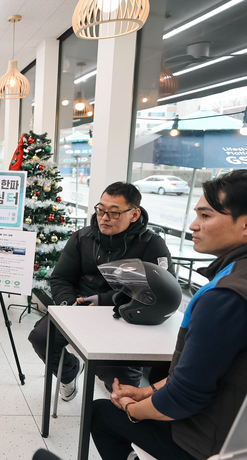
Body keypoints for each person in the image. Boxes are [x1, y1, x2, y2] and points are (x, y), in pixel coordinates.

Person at [91, 170, 247, 460]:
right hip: (230, 424)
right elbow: (202, 372)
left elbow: (184, 397)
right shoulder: (233, 280)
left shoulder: (225, 297)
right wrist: (146, 391)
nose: (193, 225)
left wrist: (131, 408)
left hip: (206, 443)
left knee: (100, 413)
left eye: (206, 215)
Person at [28, 182, 174, 401]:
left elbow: (159, 290)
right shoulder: (83, 237)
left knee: (120, 381)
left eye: (114, 213)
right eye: (100, 210)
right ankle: (69, 373)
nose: (104, 218)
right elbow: (61, 277)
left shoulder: (152, 244)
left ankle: (122, 407)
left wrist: (103, 301)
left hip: (124, 314)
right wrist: (69, 304)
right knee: (41, 338)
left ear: (134, 214)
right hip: (79, 306)